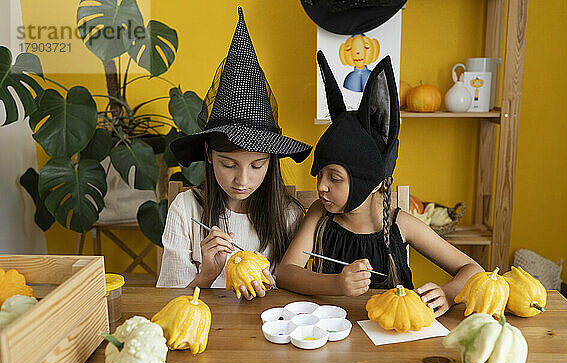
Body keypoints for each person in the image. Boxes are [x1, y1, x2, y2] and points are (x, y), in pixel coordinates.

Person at [276, 51, 483, 317]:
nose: (322, 187)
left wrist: (448, 293)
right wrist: (337, 283)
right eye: (320, 175)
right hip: (333, 335)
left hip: (394, 338)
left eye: (335, 178)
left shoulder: (401, 225)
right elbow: (286, 273)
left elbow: (473, 269)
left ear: (372, 183)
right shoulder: (320, 214)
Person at [156, 8, 312, 301]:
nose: (243, 179)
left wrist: (274, 289)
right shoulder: (186, 210)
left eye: (257, 165)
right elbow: (166, 301)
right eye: (229, 164)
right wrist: (206, 275)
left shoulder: (289, 216)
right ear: (209, 154)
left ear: (272, 161)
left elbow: (295, 305)